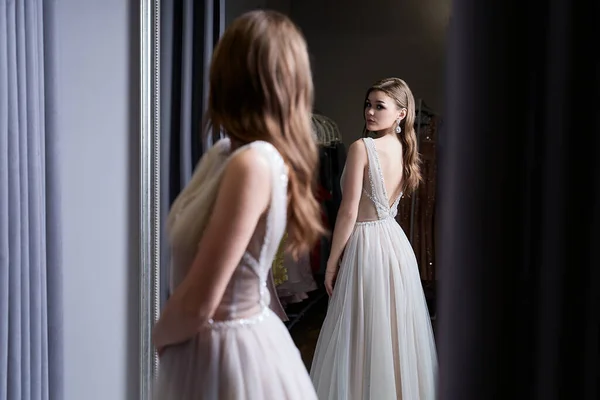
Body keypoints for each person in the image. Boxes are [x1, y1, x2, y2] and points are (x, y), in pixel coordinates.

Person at [151, 10, 324, 400]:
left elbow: (201, 299)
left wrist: (160, 336)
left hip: (227, 355)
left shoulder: (253, 163)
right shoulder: (225, 155)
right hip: (199, 347)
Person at [310, 78, 438, 399]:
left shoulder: (361, 147)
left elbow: (348, 212)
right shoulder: (404, 148)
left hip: (366, 245)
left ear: (401, 114)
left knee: (361, 329)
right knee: (390, 330)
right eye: (368, 104)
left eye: (379, 106)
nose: (370, 111)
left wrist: (331, 262)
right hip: (395, 245)